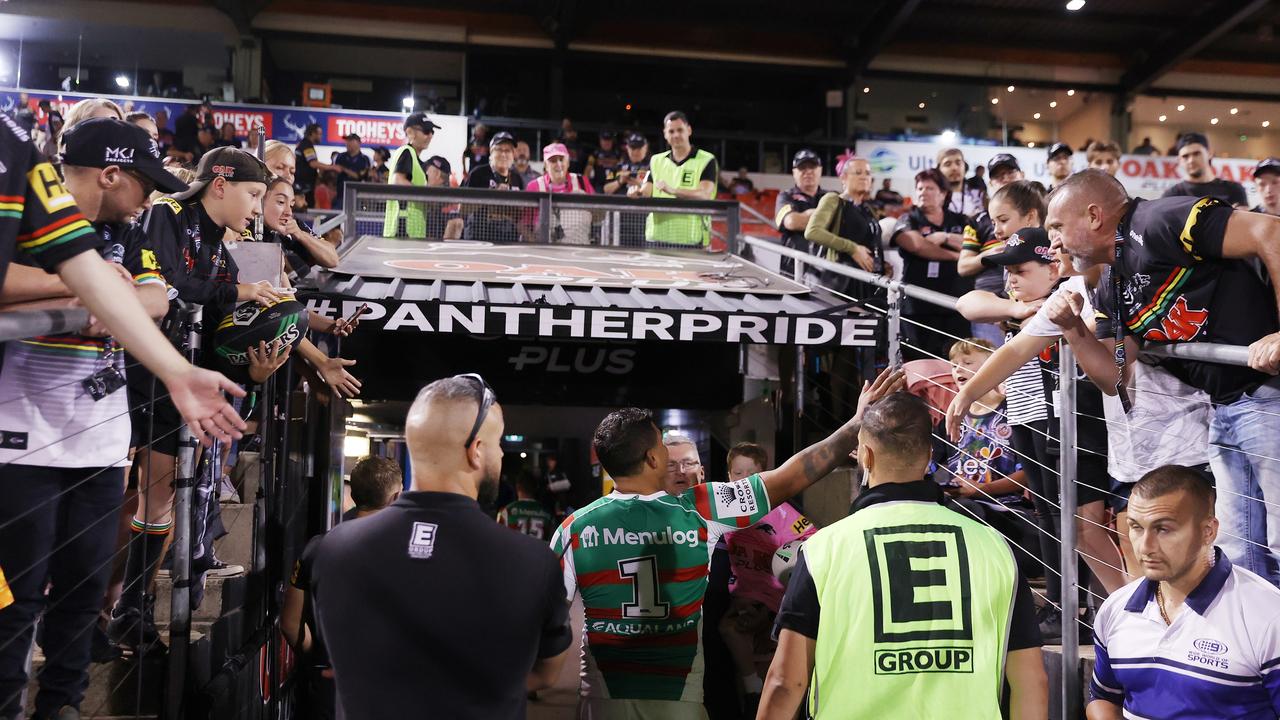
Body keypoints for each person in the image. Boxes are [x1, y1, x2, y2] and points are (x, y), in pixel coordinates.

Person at [549, 366, 906, 719]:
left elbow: (549, 624)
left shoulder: (573, 528)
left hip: (601, 699)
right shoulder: (701, 507)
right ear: (653, 458)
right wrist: (855, 424)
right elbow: (792, 476)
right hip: (680, 699)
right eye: (662, 444)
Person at [0, 117, 191, 720]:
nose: (149, 197)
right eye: (142, 182)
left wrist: (101, 296)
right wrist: (84, 292)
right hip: (20, 441)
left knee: (82, 593)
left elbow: (158, 298)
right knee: (16, 600)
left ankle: (61, 706)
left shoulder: (128, 231)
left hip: (102, 444)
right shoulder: (32, 208)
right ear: (110, 174)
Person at [1047, 169, 1280, 585]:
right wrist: (1073, 329)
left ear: (1095, 215)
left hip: (1269, 395)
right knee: (1241, 553)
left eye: (1058, 227)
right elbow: (1113, 373)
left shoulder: (1158, 221)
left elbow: (1270, 230)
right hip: (1225, 409)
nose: (1054, 242)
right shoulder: (1111, 283)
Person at [758, 392, 1048, 720]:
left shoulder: (824, 549)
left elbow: (785, 682)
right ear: (928, 457)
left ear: (865, 456)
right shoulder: (995, 548)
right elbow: (1031, 683)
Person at [310, 375, 573, 718]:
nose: (501, 454)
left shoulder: (335, 548)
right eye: (497, 444)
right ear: (476, 451)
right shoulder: (533, 560)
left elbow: (340, 660)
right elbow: (547, 673)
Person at [950, 222, 1129, 637]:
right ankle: (1063, 605)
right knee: (1054, 517)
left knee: (1081, 524)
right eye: (1007, 272)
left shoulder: (1071, 299)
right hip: (1029, 420)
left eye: (1021, 270)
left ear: (1054, 269)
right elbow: (967, 304)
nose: (1011, 279)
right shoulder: (1025, 306)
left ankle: (1085, 609)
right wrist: (1014, 309)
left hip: (1071, 423)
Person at [1087, 465, 1280, 720]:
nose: (1145, 547)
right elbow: (1103, 698)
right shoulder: (1115, 609)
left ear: (1208, 531)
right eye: (1136, 527)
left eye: (1163, 529)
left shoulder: (1267, 615)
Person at [283, 456, 402, 720]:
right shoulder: (406, 555)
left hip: (327, 687)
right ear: (396, 497)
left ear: (355, 493)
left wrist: (319, 659)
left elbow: (290, 623)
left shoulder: (316, 547)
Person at [718, 443, 816, 713]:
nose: (743, 481)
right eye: (737, 473)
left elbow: (812, 542)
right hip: (742, 598)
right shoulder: (721, 513)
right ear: (728, 476)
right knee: (729, 629)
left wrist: (770, 610)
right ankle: (752, 690)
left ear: (765, 476)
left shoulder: (781, 511)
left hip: (778, 602)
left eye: (751, 474)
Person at [889, 167, 970, 362]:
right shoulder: (907, 218)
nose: (923, 192)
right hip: (918, 308)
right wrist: (955, 255)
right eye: (919, 188)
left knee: (956, 363)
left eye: (929, 188)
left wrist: (945, 236)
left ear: (943, 193)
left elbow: (974, 244)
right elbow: (916, 245)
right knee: (918, 364)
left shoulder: (961, 220)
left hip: (955, 306)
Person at [943, 338, 1034, 506]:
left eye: (967, 362)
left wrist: (984, 489)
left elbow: (1028, 473)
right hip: (960, 504)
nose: (958, 370)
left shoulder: (1012, 411)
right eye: (954, 365)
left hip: (1007, 506)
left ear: (992, 368)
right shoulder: (954, 416)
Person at [805, 155, 886, 297]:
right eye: (858, 173)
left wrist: (881, 265)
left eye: (867, 173)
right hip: (841, 281)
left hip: (867, 283)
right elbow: (812, 231)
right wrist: (852, 248)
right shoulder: (834, 200)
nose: (864, 177)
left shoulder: (869, 209)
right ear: (844, 178)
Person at [634, 111, 719, 247]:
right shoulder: (656, 161)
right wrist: (636, 193)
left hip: (692, 240)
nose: (676, 135)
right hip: (657, 239)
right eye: (671, 131)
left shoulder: (706, 160)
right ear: (665, 134)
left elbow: (705, 194)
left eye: (680, 130)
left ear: (689, 130)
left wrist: (673, 190)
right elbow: (646, 191)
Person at [382, 112, 438, 239]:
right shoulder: (407, 152)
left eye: (432, 132)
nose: (430, 136)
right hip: (402, 229)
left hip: (411, 232)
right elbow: (397, 181)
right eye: (426, 131)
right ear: (410, 132)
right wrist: (426, 194)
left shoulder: (417, 161)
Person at [773, 149, 828, 277]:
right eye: (802, 167)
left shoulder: (831, 196)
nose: (808, 171)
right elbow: (791, 222)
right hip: (794, 268)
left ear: (820, 170)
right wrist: (826, 216)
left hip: (826, 270)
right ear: (794, 172)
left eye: (812, 167)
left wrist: (807, 216)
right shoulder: (785, 196)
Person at [463, 131, 523, 242]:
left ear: (513, 154)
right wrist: (491, 194)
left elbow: (521, 215)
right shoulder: (478, 173)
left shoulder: (516, 178)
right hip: (480, 238)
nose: (504, 154)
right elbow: (463, 208)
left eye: (508, 150)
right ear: (491, 152)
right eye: (499, 150)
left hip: (508, 240)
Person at [1162, 132, 1248, 207]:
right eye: (1185, 156)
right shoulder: (1171, 196)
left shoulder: (1234, 190)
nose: (1191, 160)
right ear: (1179, 160)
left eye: (1196, 153)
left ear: (1210, 153)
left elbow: (1245, 223)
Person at [496, 473, 554, 541]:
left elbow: (498, 540)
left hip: (514, 551)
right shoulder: (547, 514)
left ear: (517, 487)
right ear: (535, 488)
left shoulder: (507, 512)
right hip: (539, 551)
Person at [295, 123, 341, 208]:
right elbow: (313, 163)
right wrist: (333, 167)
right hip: (305, 186)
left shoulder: (303, 144)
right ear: (312, 134)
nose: (321, 136)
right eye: (319, 134)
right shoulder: (307, 145)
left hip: (302, 185)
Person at [936, 147, 985, 218]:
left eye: (958, 163)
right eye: (948, 164)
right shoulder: (932, 198)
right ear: (939, 169)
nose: (954, 168)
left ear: (965, 167)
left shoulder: (980, 197)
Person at [332, 132, 371, 210]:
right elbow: (334, 173)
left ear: (358, 143)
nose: (347, 143)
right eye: (347, 141)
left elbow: (359, 176)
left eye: (351, 141)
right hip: (340, 195)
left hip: (357, 196)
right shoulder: (340, 156)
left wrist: (344, 169)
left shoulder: (364, 159)